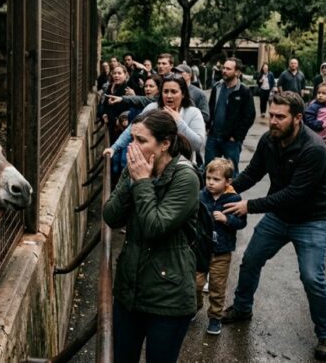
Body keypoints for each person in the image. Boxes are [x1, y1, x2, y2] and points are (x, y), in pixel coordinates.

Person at [221, 91, 326, 361]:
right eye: (271, 115)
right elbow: (252, 173)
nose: (273, 121)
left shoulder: (314, 150)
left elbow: (295, 194)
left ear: (298, 118)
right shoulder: (269, 139)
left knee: (312, 277)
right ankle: (242, 307)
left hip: (313, 219)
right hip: (280, 217)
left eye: (280, 117)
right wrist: (226, 190)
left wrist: (248, 205)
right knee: (250, 260)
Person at [102, 109, 199, 363]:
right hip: (129, 292)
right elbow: (111, 217)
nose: (133, 147)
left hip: (169, 297)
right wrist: (132, 182)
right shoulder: (136, 168)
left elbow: (154, 227)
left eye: (142, 141)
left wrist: (142, 182)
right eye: (132, 138)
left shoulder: (185, 177)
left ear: (165, 144)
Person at [195, 158, 247, 336]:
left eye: (216, 179)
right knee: (195, 283)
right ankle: (195, 305)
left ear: (228, 182)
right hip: (201, 250)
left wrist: (227, 220)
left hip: (222, 252)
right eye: (208, 177)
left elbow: (241, 223)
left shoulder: (233, 199)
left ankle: (215, 317)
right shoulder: (201, 196)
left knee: (217, 287)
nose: (210, 182)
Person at [104, 75, 206, 164]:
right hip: (151, 166)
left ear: (183, 94)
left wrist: (179, 122)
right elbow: (132, 128)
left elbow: (197, 144)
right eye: (165, 91)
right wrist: (114, 148)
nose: (169, 96)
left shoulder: (193, 113)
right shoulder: (152, 108)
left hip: (181, 168)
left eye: (174, 92)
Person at [205, 57, 256, 174]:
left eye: (228, 69)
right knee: (209, 171)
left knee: (231, 173)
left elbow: (249, 116)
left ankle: (231, 193)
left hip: (231, 141)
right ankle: (209, 192)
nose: (224, 71)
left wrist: (237, 136)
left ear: (237, 72)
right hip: (213, 137)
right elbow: (211, 108)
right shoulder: (217, 87)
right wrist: (208, 127)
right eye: (224, 68)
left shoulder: (244, 91)